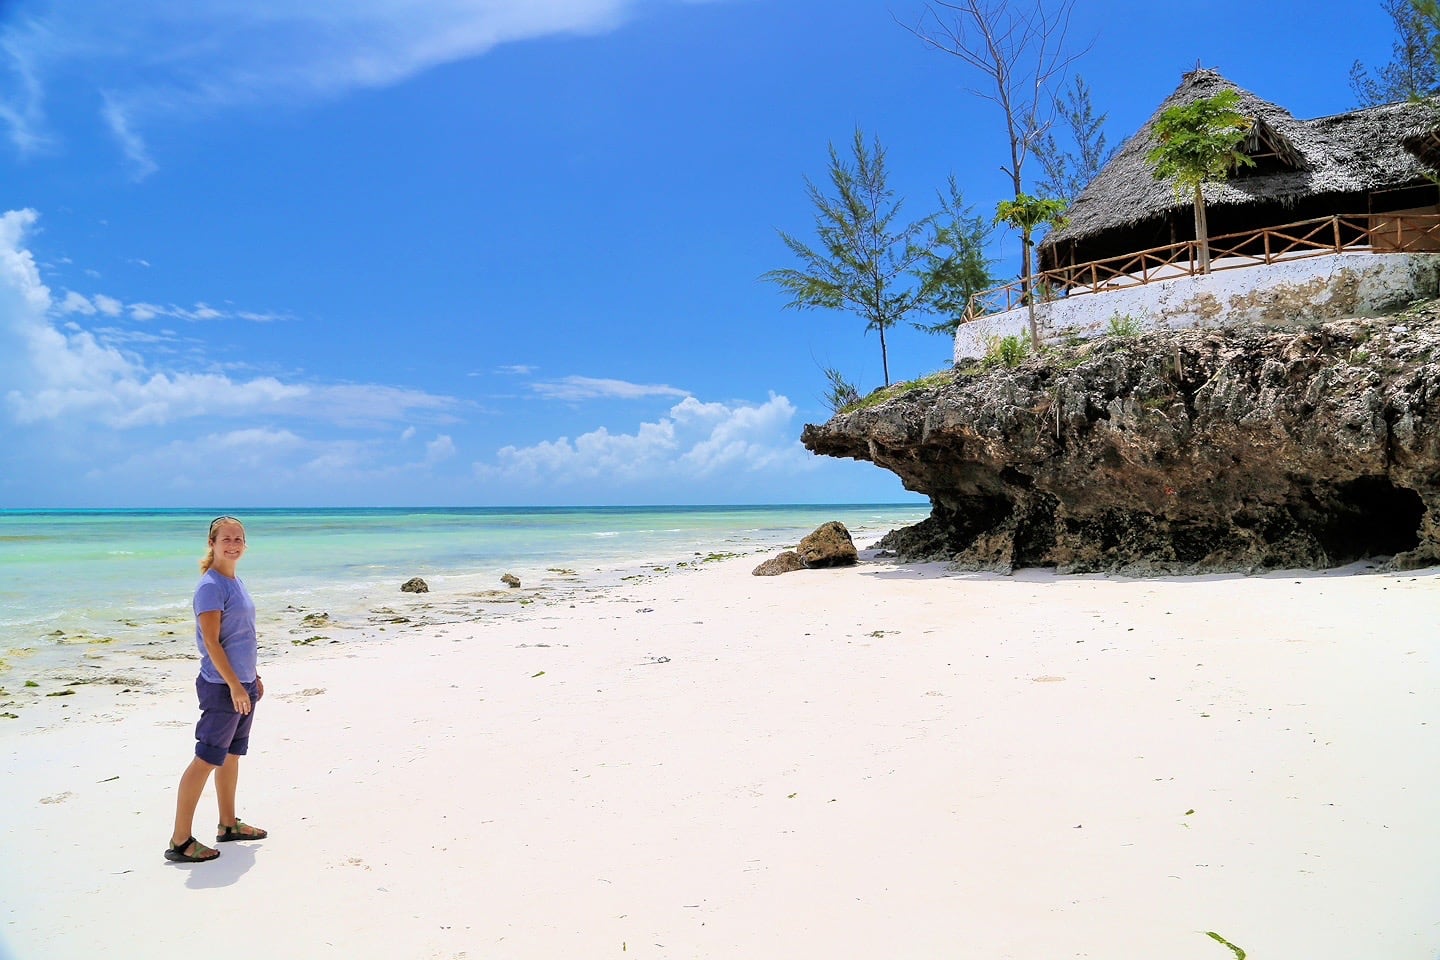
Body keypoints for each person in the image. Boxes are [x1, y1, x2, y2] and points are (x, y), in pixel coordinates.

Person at [165, 516, 269, 863]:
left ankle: (228, 825)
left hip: (242, 685)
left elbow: (240, 637)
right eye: (226, 539)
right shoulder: (211, 586)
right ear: (212, 543)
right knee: (207, 758)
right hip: (222, 688)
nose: (233, 544)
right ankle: (180, 840)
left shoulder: (235, 581)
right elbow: (211, 642)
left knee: (231, 755)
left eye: (238, 538)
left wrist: (252, 678)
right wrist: (236, 686)